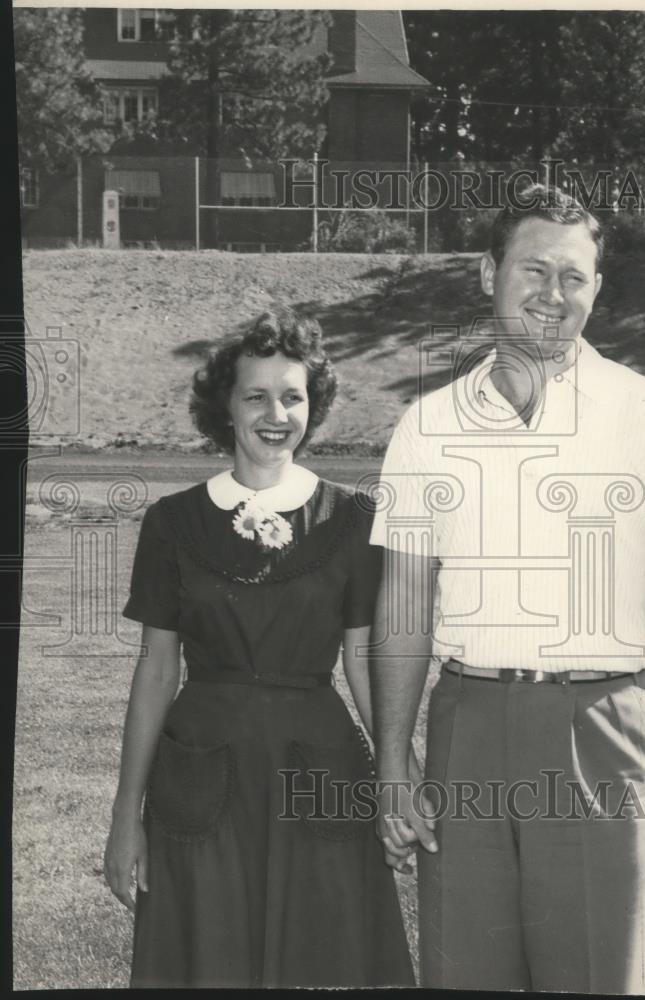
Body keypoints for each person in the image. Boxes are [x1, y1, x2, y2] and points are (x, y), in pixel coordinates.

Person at [368, 185, 645, 994]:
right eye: (534, 269)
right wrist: (394, 764)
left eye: (574, 277)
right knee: (467, 977)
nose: (553, 294)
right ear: (488, 272)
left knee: (597, 979)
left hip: (602, 733)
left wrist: (607, 657)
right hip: (468, 729)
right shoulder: (427, 428)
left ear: (597, 288)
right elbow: (402, 606)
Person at [104, 307, 415, 989]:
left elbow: (363, 659)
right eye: (256, 396)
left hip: (320, 769)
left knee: (326, 953)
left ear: (314, 405)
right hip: (200, 776)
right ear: (225, 408)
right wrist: (126, 815)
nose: (276, 414)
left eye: (293, 396)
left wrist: (399, 771)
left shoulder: (354, 520)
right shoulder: (173, 523)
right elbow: (157, 669)